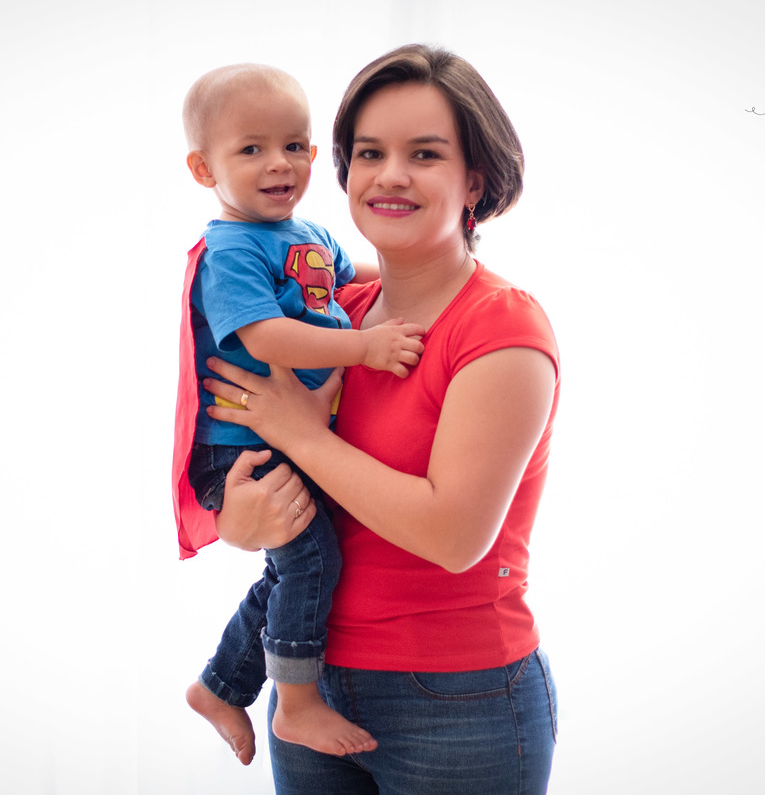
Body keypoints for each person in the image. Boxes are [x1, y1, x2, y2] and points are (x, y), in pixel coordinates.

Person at [203, 44, 561, 794]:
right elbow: (261, 478)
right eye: (370, 153)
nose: (390, 175)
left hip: (458, 702)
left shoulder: (501, 330)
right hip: (308, 682)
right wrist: (239, 521)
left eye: (424, 154)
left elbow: (453, 536)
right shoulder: (332, 318)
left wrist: (301, 432)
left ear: (475, 180)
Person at [172, 63, 427, 766]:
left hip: (284, 435)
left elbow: (353, 277)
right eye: (251, 149)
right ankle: (297, 701)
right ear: (205, 169)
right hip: (241, 445)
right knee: (311, 561)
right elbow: (266, 337)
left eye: (293, 145)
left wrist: (420, 270)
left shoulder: (306, 233)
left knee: (299, 567)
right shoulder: (230, 249)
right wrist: (364, 348)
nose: (279, 163)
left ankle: (220, 685)